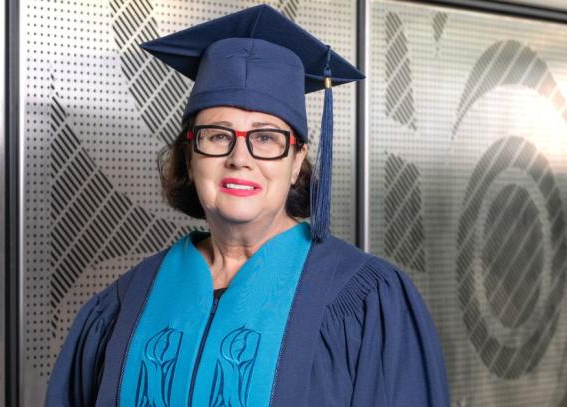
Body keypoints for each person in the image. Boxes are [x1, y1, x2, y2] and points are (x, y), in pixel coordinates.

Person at [45, 4, 450, 406]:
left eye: (266, 138)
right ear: (190, 156)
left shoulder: (367, 301)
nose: (240, 158)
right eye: (218, 136)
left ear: (296, 161)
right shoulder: (126, 302)